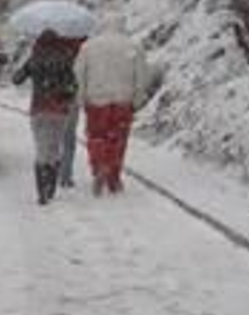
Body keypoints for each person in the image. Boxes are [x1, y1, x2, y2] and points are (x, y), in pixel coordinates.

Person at [74, 16, 152, 195]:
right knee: (118, 139)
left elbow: (79, 74)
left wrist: (81, 97)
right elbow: (142, 76)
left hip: (96, 101)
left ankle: (99, 166)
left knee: (96, 136)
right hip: (123, 101)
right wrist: (137, 99)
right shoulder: (133, 47)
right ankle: (113, 176)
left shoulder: (89, 47)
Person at [12, 30, 79, 205]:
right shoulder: (65, 58)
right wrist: (63, 94)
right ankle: (50, 186)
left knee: (42, 148)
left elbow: (16, 79)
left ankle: (41, 190)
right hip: (58, 111)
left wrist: (29, 69)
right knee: (55, 148)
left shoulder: (35, 58)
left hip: (39, 109)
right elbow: (73, 87)